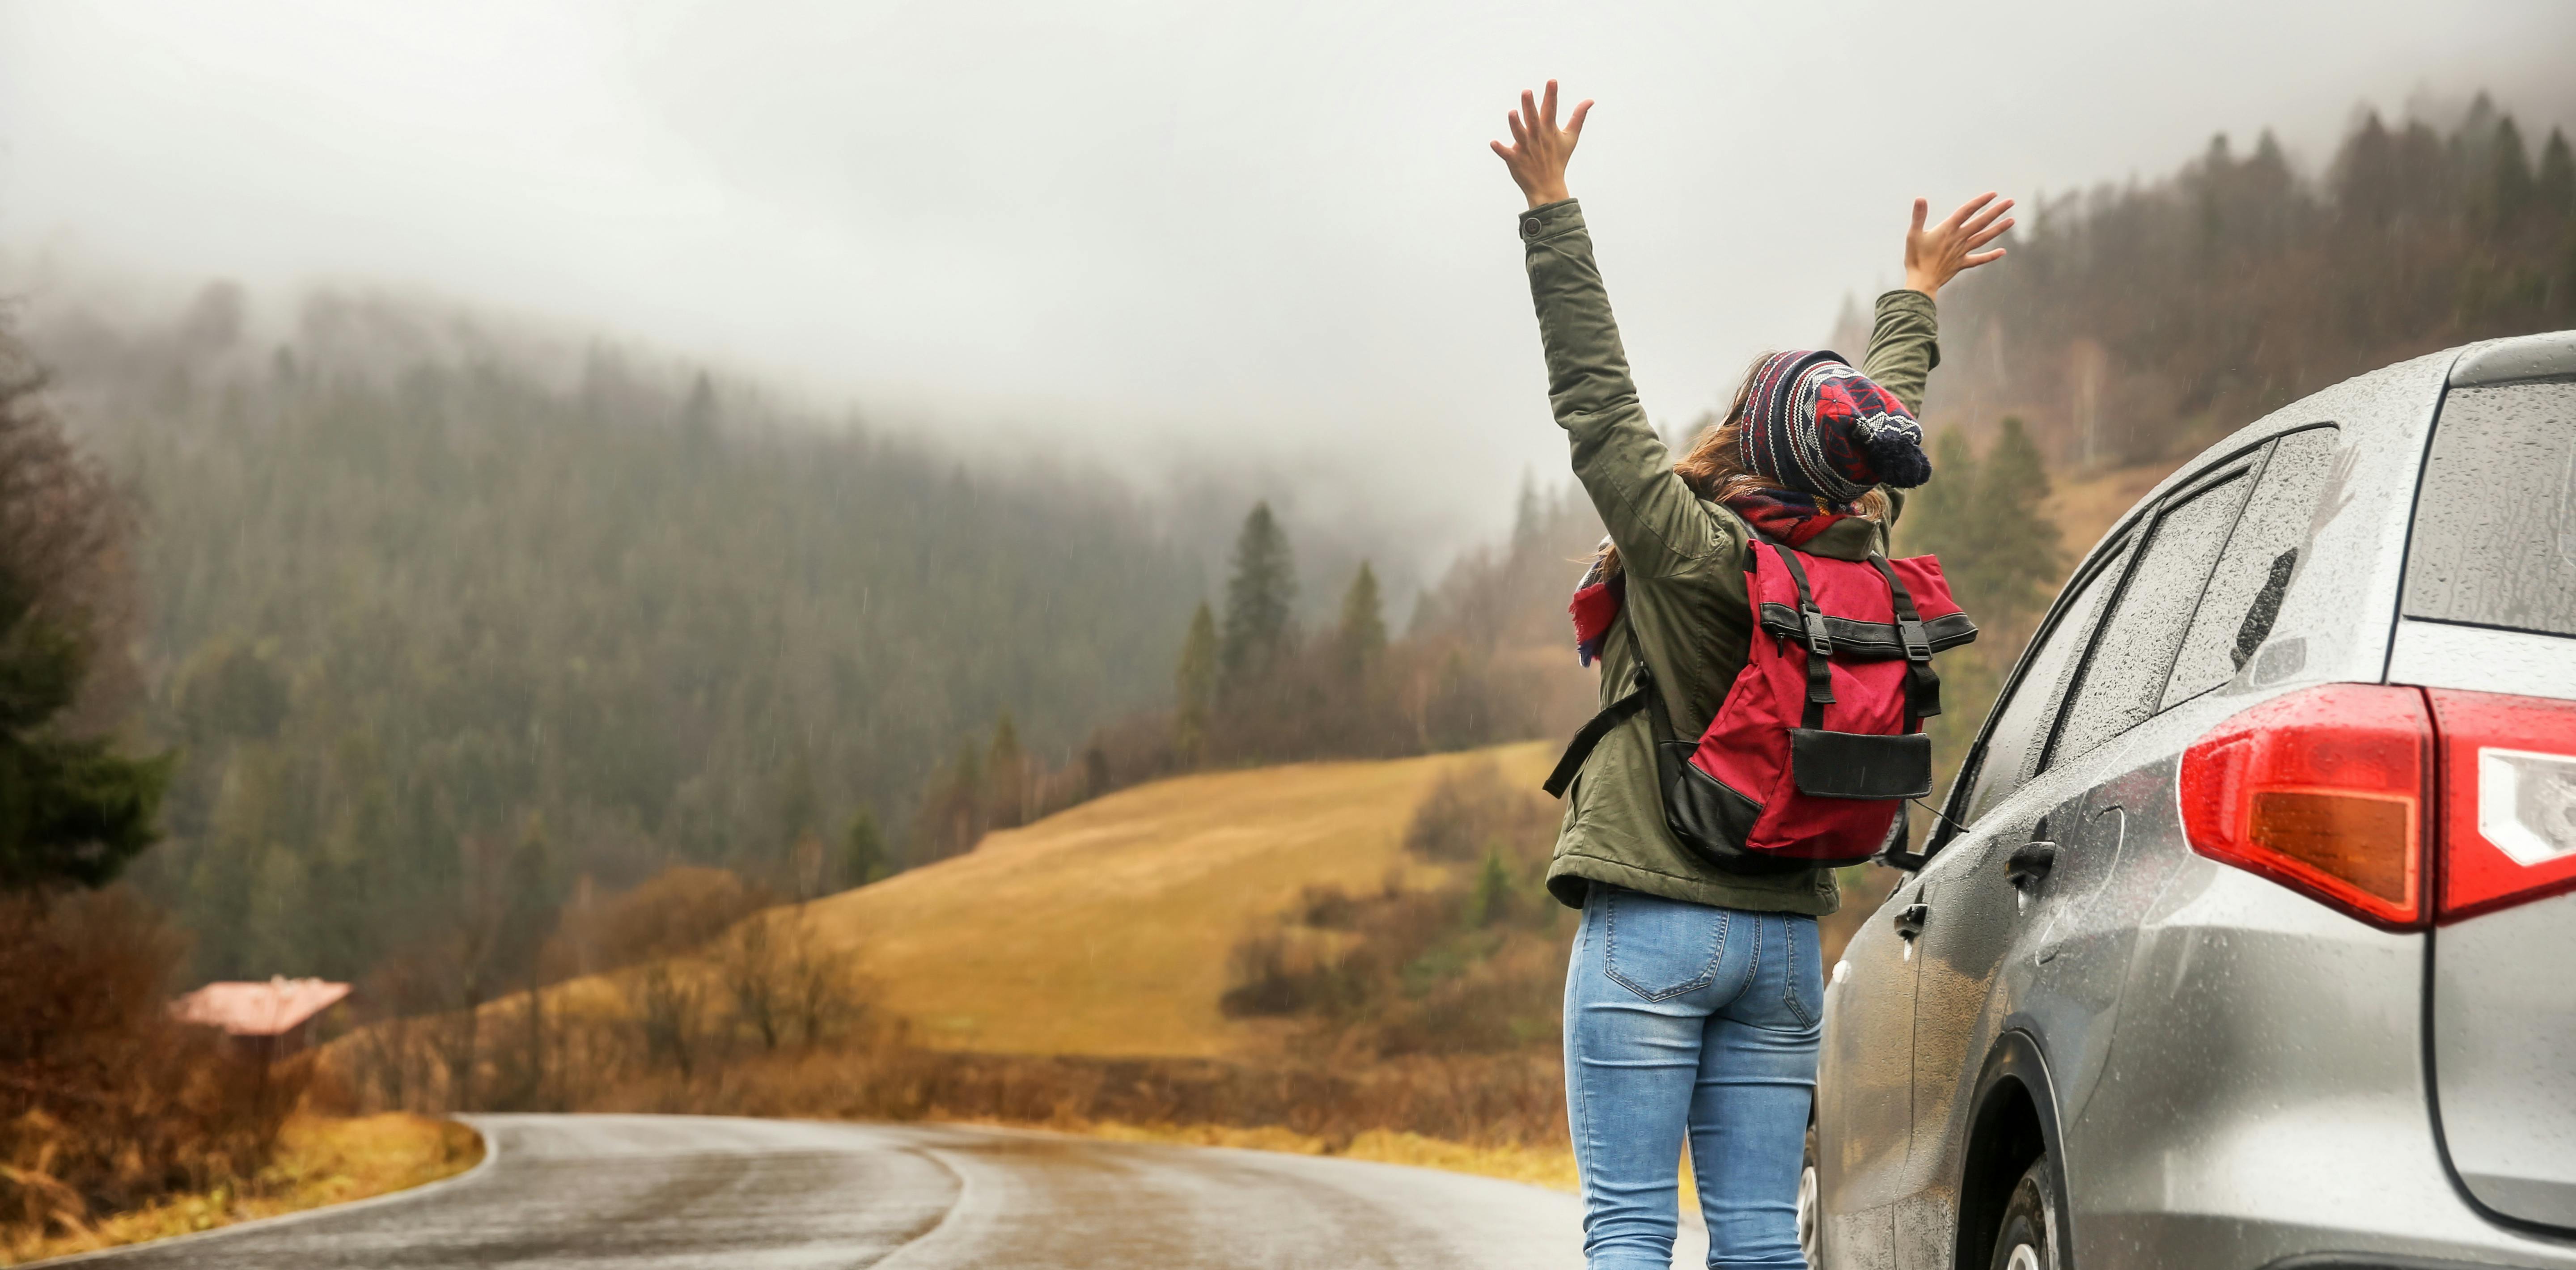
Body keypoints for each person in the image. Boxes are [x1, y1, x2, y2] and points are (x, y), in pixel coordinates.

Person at [1491, 81, 2012, 1270]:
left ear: (1748, 435)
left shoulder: (1687, 547)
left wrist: (1551, 209)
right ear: (1849, 478)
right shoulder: (1857, 550)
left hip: (1652, 927)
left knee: (1629, 1227)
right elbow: (1883, 419)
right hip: (1783, 944)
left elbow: (1597, 402)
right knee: (1763, 1240)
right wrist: (1916, 297)